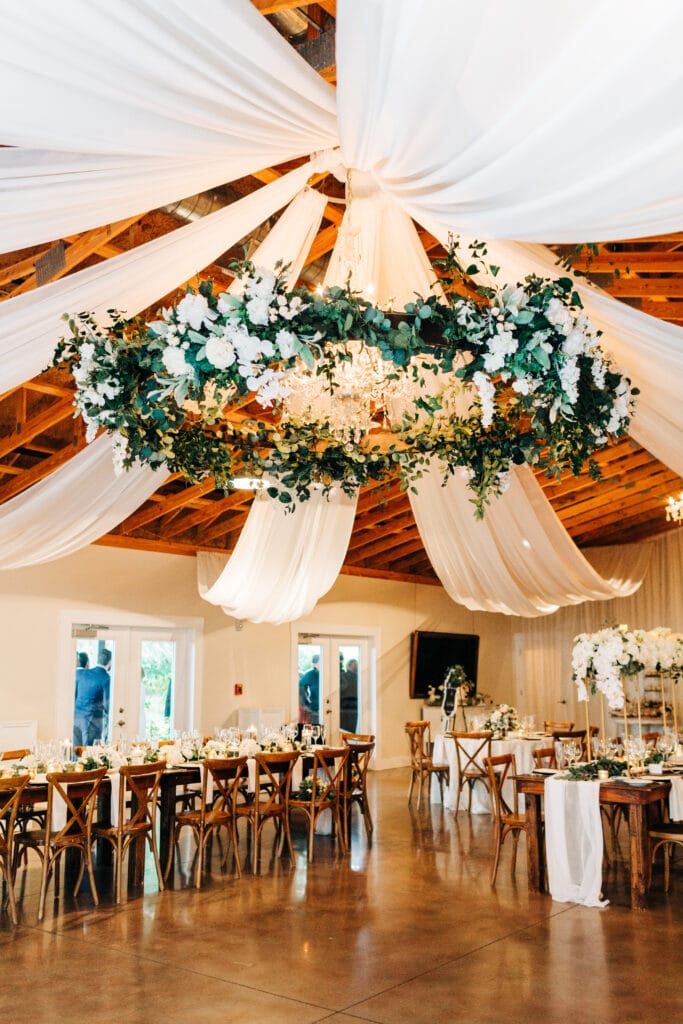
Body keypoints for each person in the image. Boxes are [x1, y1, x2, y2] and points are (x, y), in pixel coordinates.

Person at [73, 647, 112, 747]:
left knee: (76, 751)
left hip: (76, 719)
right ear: (110, 662)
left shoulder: (82, 673)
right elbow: (107, 705)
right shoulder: (106, 678)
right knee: (89, 754)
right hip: (93, 722)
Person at [299, 654, 320, 725]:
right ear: (314, 664)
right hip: (315, 710)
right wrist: (305, 703)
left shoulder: (331, 673)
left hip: (331, 710)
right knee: (316, 733)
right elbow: (300, 687)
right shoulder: (311, 674)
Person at [340, 658, 359, 733]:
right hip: (344, 708)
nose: (356, 667)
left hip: (354, 708)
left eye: (357, 665)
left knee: (352, 730)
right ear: (349, 666)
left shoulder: (360, 677)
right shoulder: (342, 676)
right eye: (355, 665)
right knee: (345, 730)